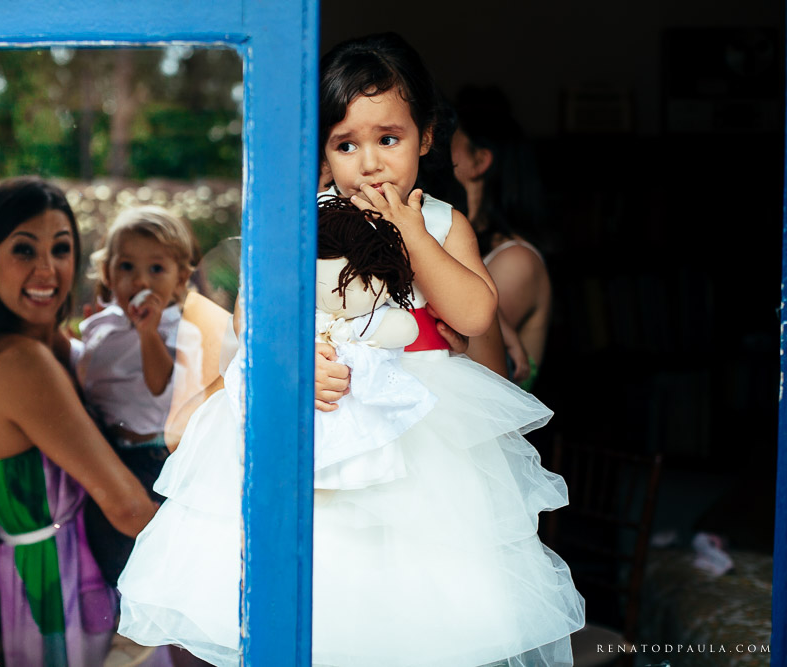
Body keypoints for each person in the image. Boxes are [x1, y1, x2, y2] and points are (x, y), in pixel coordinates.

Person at [115, 33, 584, 667]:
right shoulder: (298, 220)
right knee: (326, 590)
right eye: (345, 144)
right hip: (325, 422)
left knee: (417, 604)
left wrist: (413, 233)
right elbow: (253, 325)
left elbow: (474, 313)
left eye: (387, 139)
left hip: (423, 433)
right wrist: (295, 362)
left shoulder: (442, 222)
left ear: (425, 138)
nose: (369, 163)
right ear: (322, 149)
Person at [0, 177, 157, 666]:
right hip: (59, 587)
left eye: (61, 249)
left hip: (50, 580)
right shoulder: (17, 361)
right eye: (24, 250)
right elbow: (127, 508)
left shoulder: (49, 347)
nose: (47, 269)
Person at [77, 205, 203, 586]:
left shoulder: (179, 330)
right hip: (109, 455)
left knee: (153, 564)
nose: (140, 280)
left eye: (157, 269)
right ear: (107, 273)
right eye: (127, 267)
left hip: (154, 458)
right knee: (110, 553)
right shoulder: (101, 325)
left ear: (181, 278)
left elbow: (161, 385)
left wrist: (148, 335)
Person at [449, 85, 552, 391]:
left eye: (449, 143)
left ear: (480, 161)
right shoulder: (463, 241)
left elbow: (465, 343)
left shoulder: (516, 259)